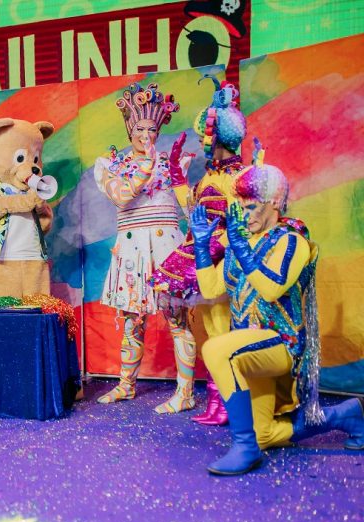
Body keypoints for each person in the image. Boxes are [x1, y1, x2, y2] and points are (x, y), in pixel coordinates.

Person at [192, 148, 363, 476]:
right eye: (240, 207)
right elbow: (211, 289)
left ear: (273, 203)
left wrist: (239, 247)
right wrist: (202, 249)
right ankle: (344, 415)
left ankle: (243, 447)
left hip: (280, 346)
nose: (245, 215)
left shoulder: (292, 241)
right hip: (250, 349)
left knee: (216, 348)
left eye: (251, 206)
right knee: (266, 434)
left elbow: (271, 288)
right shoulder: (240, 238)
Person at [94, 82, 197, 414]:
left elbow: (188, 206)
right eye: (140, 127)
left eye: (152, 128)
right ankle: (126, 385)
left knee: (178, 320)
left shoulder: (174, 163)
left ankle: (185, 393)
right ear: (129, 128)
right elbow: (121, 195)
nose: (146, 134)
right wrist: (144, 168)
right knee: (132, 321)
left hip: (167, 249)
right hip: (131, 250)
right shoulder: (111, 166)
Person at [150, 76, 247, 426]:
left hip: (224, 261)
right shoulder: (209, 178)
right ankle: (216, 402)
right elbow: (194, 211)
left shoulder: (238, 178)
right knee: (210, 332)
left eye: (208, 138)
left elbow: (244, 222)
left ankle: (230, 405)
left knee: (223, 333)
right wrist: (177, 176)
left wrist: (218, 247)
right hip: (203, 258)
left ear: (218, 138)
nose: (205, 143)